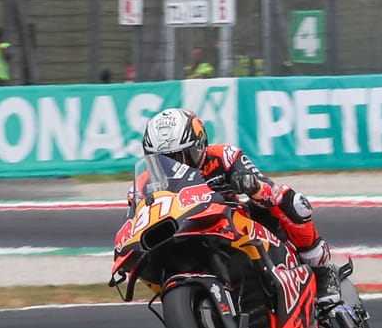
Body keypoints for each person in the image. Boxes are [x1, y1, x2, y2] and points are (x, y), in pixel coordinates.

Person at [140, 107, 340, 296]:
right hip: (183, 233)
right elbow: (137, 219)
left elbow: (270, 191)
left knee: (292, 202)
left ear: (199, 145)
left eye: (181, 156)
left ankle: (323, 273)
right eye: (164, 159)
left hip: (231, 225)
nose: (175, 165)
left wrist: (251, 185)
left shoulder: (224, 156)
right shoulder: (143, 183)